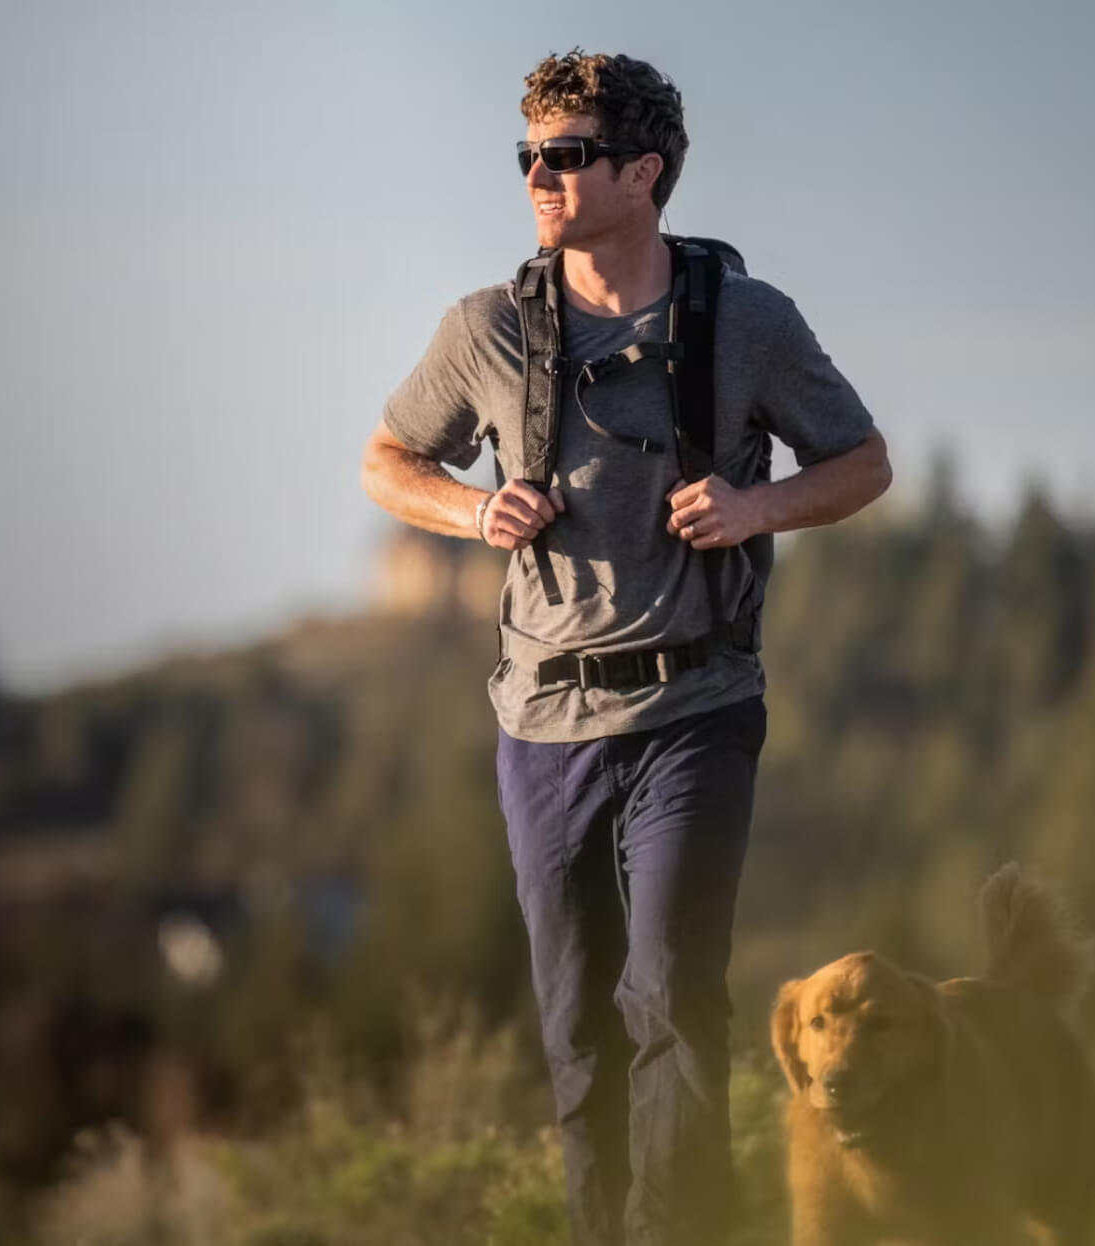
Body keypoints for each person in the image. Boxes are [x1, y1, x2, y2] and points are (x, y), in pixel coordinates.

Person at [358, 50, 894, 1246]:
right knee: (576, 1025)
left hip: (696, 705)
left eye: (569, 155)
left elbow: (863, 462)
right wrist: (473, 512)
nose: (541, 178)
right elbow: (388, 461)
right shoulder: (487, 327)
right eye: (529, 157)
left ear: (645, 172)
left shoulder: (747, 323)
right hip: (540, 723)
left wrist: (754, 509)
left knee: (668, 996)